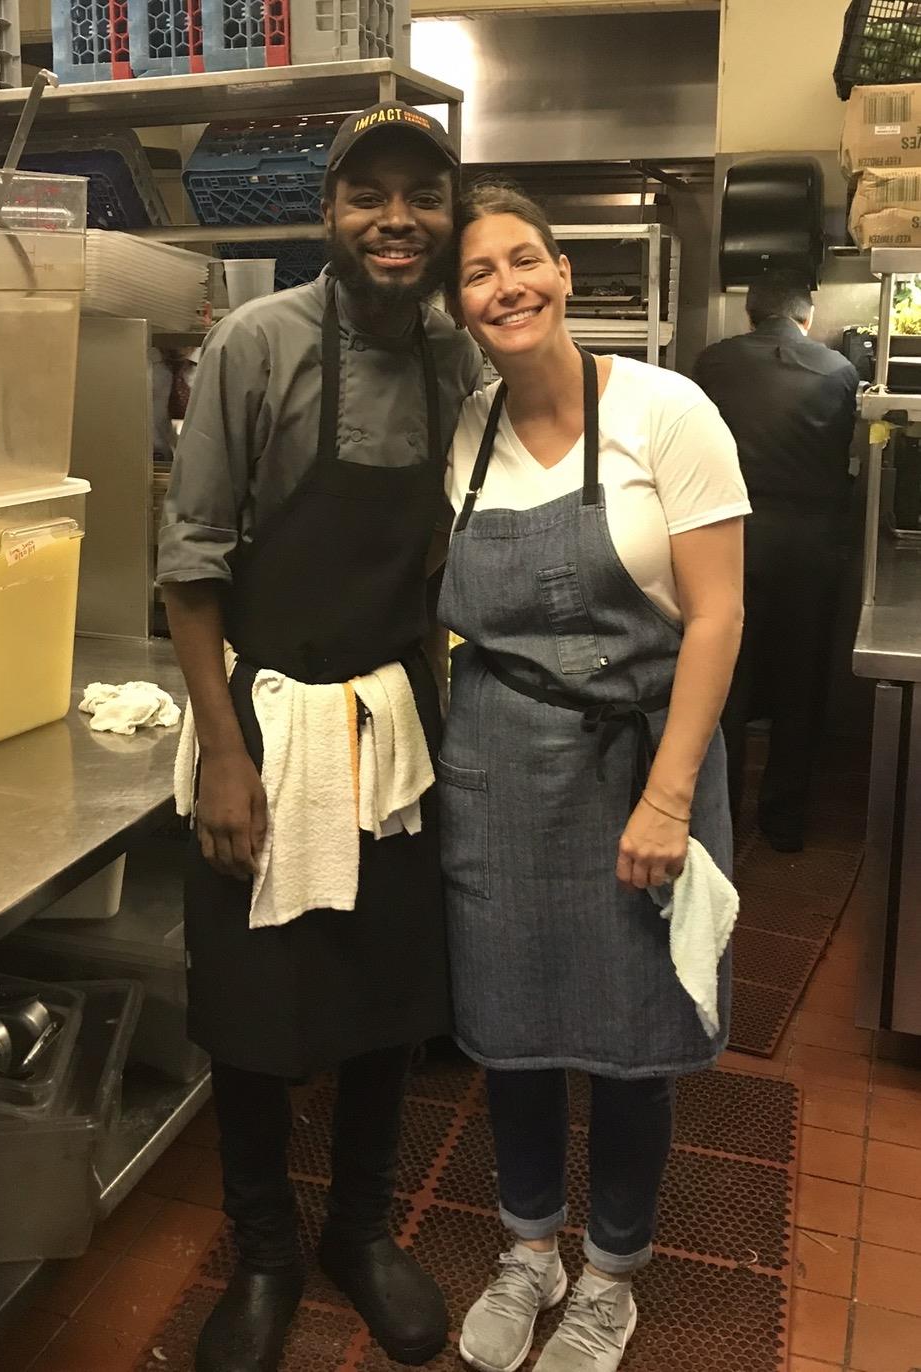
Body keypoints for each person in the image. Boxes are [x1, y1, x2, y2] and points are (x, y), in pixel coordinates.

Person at [157, 103, 483, 1372]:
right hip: (266, 719)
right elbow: (191, 567)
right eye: (368, 195)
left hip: (391, 724)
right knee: (252, 1003)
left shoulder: (458, 358)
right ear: (329, 212)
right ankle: (263, 1252)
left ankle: (358, 1229)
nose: (396, 220)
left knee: (383, 990)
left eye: (422, 196)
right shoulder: (257, 343)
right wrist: (225, 755)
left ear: (448, 214)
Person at [438, 184, 749, 1372]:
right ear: (458, 304)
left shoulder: (666, 411)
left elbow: (716, 618)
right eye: (478, 272)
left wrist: (668, 796)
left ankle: (611, 1272)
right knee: (511, 1030)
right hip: (497, 763)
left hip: (640, 758)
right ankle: (529, 1250)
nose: (506, 286)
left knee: (633, 1039)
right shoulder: (463, 432)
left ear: (563, 273)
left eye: (523, 259)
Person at [694, 271, 859, 851]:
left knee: (725, 680)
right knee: (801, 682)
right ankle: (784, 823)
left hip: (730, 539)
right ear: (806, 319)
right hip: (812, 547)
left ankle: (721, 820)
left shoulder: (713, 363)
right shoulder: (841, 370)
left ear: (750, 316)